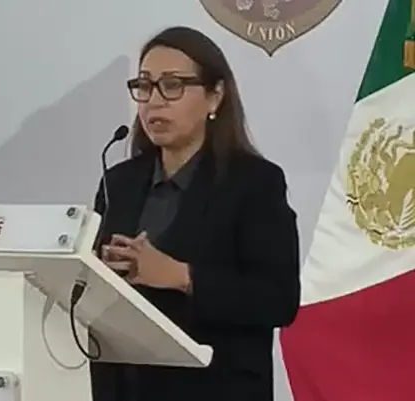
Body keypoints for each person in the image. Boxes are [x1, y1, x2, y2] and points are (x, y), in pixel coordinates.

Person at [90, 26, 300, 401]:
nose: (154, 101)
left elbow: (277, 300)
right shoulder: (119, 181)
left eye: (172, 86)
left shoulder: (255, 183)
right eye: (144, 86)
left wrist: (182, 276)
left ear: (214, 96)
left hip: (216, 388)